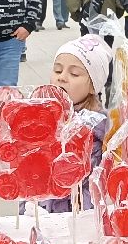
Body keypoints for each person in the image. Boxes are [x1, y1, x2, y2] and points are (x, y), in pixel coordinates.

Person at [35, 35, 113, 213]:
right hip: (41, 212)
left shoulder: (97, 129)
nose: (62, 78)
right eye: (57, 71)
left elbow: (87, 182)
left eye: (74, 74)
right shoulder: (41, 118)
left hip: (76, 214)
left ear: (93, 86)